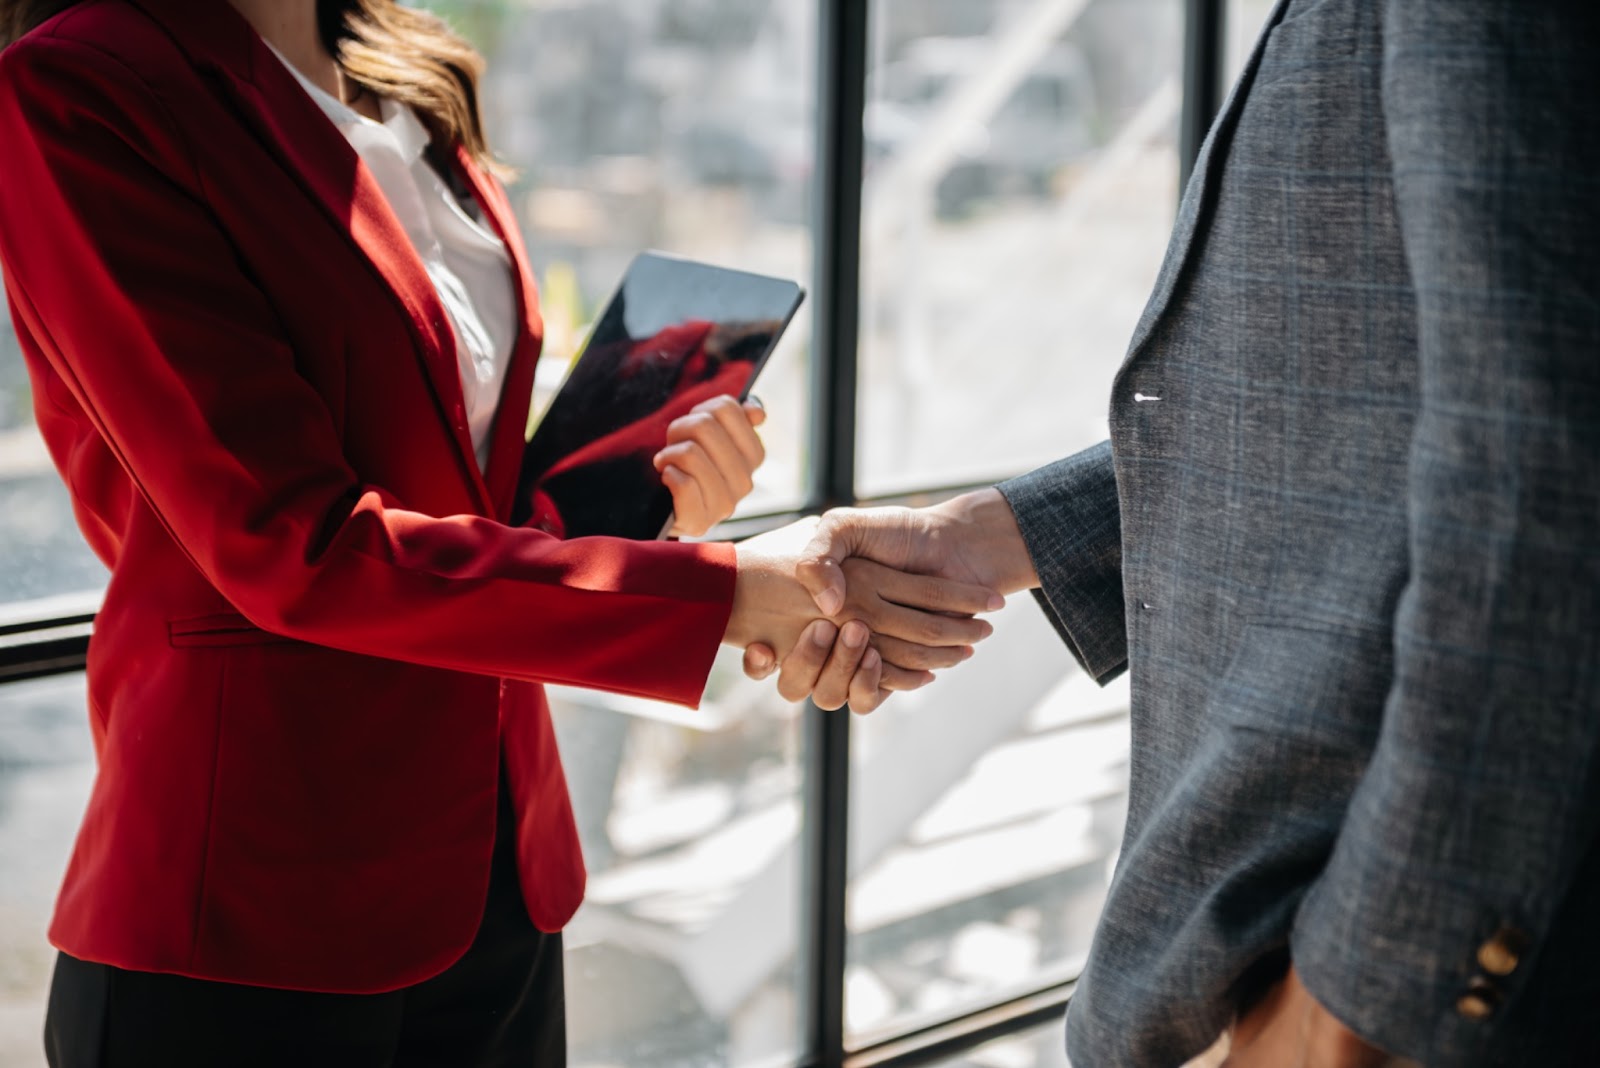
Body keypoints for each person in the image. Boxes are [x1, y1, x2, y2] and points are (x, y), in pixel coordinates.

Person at [0, 0, 1003, 1063]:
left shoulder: (412, 74)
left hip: (496, 868)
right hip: (254, 901)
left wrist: (643, 500)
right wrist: (721, 593)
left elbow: (461, 483)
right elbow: (291, 545)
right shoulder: (82, 90)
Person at [751, 1, 1600, 1065]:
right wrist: (994, 540)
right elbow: (1353, 425)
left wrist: (1361, 997)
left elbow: (1540, 470)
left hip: (1380, 977)